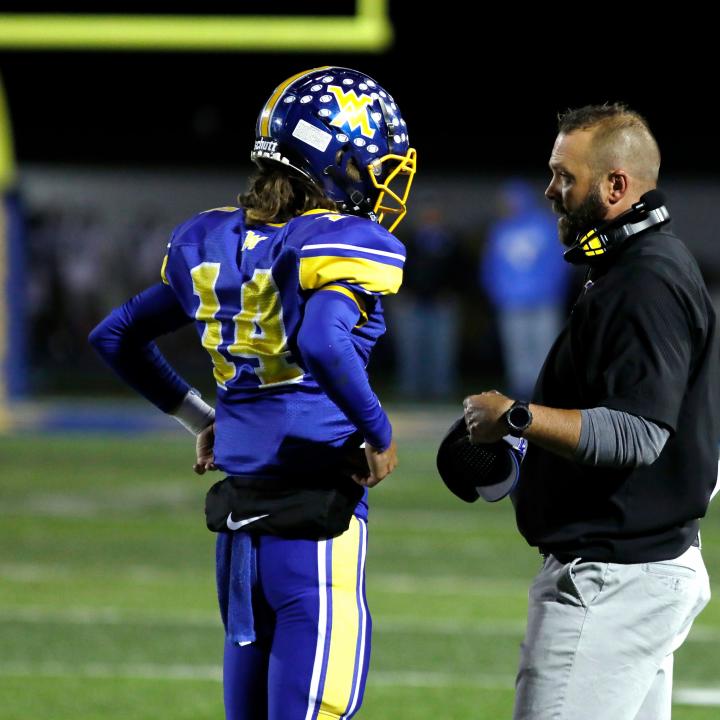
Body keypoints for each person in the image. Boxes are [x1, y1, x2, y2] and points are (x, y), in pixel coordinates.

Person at [89, 66, 416, 720]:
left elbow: (115, 334)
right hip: (315, 523)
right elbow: (323, 341)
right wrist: (378, 433)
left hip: (239, 535)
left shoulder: (215, 238)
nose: (383, 179)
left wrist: (199, 417)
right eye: (374, 162)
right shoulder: (338, 242)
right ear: (340, 159)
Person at [463, 104, 720, 719]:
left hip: (613, 582)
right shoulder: (638, 264)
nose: (550, 190)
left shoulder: (645, 279)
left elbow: (638, 433)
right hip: (638, 571)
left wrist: (517, 418)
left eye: (563, 176)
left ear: (615, 185)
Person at [480, 179, 572, 397]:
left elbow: (560, 262)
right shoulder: (500, 229)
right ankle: (522, 394)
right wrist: (497, 294)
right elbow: (490, 266)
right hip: (511, 302)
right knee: (517, 351)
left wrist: (553, 291)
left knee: (545, 349)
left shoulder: (545, 225)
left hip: (544, 301)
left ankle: (546, 393)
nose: (506, 205)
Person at [390, 200, 464, 400]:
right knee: (411, 348)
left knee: (441, 349)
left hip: (442, 304)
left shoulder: (451, 241)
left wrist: (452, 293)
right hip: (413, 303)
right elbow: (398, 268)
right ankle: (411, 388)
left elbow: (462, 272)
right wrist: (403, 293)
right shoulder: (409, 240)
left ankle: (441, 388)